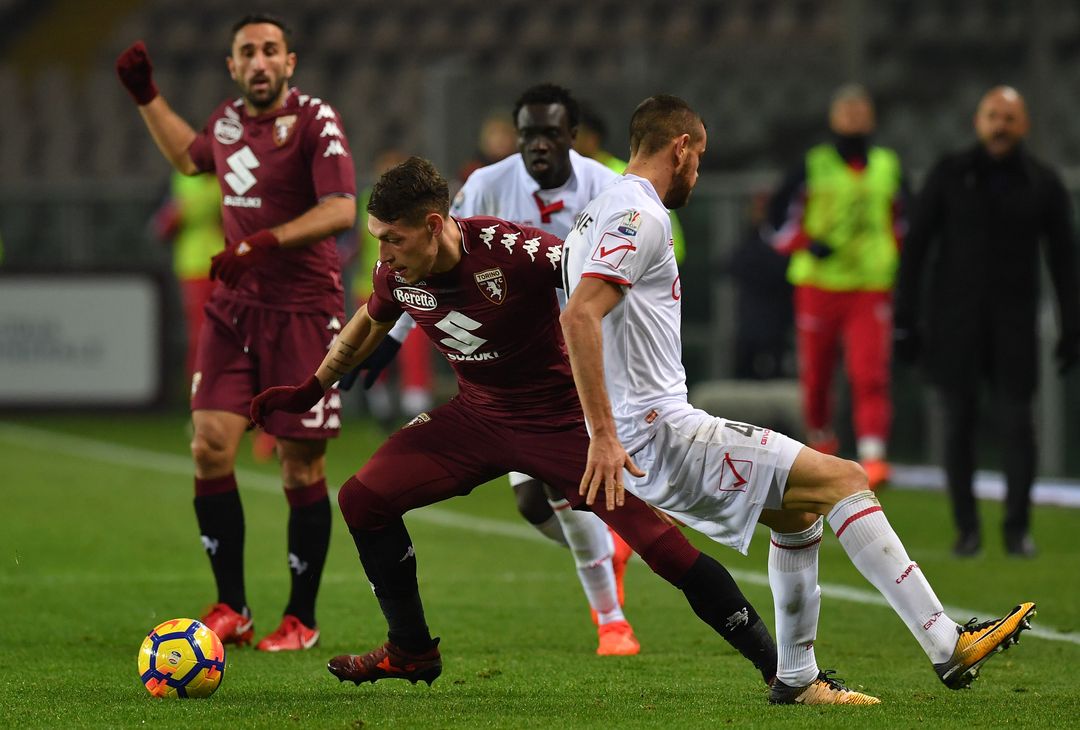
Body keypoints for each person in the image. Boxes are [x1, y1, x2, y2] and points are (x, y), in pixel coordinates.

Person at [560, 94, 1035, 705]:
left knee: (797, 515)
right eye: (699, 157)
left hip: (645, 432)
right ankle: (948, 643)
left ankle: (797, 678)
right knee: (846, 479)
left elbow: (574, 316)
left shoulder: (593, 213)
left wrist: (604, 427)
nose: (698, 173)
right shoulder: (640, 215)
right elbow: (579, 317)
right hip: (660, 430)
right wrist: (604, 434)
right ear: (680, 149)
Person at [250, 156, 778, 688]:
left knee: (662, 548)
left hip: (561, 424)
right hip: (476, 417)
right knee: (362, 500)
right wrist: (309, 389)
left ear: (433, 225)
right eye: (378, 239)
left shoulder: (515, 251)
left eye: (393, 239)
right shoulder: (397, 274)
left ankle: (782, 670)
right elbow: (368, 322)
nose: (383, 254)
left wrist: (631, 397)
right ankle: (410, 650)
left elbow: (602, 292)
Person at [115, 14, 357, 651]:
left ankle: (300, 617)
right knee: (208, 446)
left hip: (303, 310)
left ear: (289, 62)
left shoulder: (315, 120)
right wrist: (146, 95)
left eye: (270, 50)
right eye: (247, 52)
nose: (259, 61)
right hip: (234, 310)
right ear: (232, 66)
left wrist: (264, 241)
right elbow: (188, 158)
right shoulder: (225, 122)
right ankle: (233, 606)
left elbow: (341, 209)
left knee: (299, 464)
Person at [444, 83, 637, 654]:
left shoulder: (611, 188)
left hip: (588, 354)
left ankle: (612, 621)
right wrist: (393, 335)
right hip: (517, 359)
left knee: (562, 481)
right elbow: (437, 257)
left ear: (573, 136)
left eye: (550, 133)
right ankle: (609, 544)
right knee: (532, 503)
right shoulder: (487, 184)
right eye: (528, 133)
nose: (538, 144)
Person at [893, 86, 1080, 558]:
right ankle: (967, 530)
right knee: (958, 423)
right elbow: (916, 249)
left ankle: (1017, 530)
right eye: (993, 116)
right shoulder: (949, 174)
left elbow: (1064, 259)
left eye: (1010, 118)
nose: (1001, 125)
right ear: (978, 122)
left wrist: (1072, 324)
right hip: (955, 321)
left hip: (1014, 324)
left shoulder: (1043, 183)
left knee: (1018, 423)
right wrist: (905, 318)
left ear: (1025, 125)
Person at [768, 84, 908, 488]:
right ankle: (821, 442)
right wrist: (806, 243)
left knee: (870, 372)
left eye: (860, 111)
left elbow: (904, 220)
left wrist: (898, 262)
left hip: (870, 285)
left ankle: (873, 456)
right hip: (819, 284)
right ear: (833, 118)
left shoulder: (888, 166)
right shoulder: (813, 165)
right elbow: (775, 219)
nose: (854, 118)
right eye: (846, 111)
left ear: (872, 118)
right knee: (816, 376)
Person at [575, 102, 686, 264]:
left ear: (591, 139)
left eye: (573, 134)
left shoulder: (632, 178)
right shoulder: (556, 182)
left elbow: (674, 246)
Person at [151, 171, 224, 381]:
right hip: (194, 267)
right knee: (201, 334)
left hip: (226, 264)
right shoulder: (181, 179)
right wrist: (175, 214)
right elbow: (161, 227)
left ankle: (231, 390)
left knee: (229, 331)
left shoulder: (226, 172)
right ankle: (200, 390)